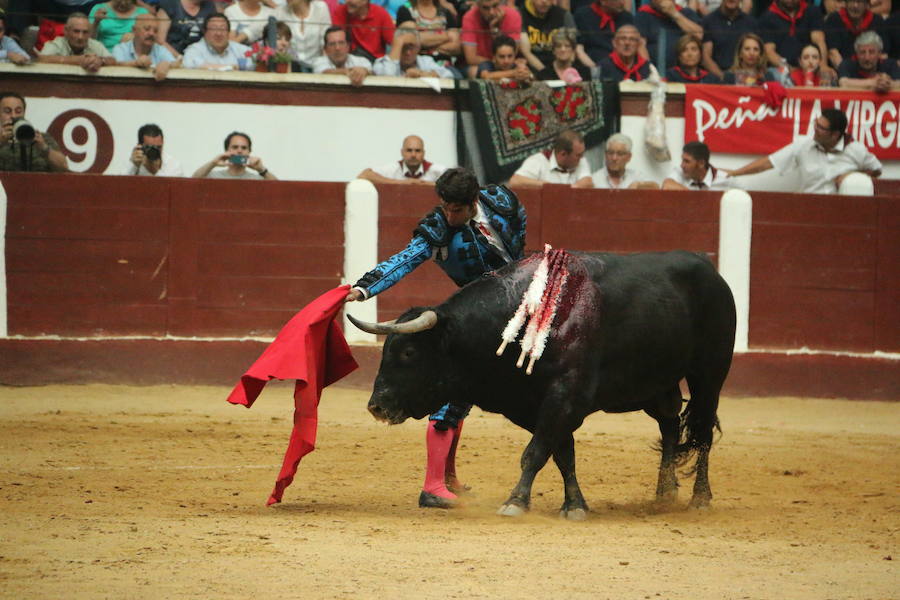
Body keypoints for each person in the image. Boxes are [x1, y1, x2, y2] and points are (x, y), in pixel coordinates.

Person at [345, 167, 527, 509]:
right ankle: (432, 486)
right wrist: (364, 287)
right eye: (445, 207)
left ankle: (448, 478)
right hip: (476, 313)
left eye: (456, 209)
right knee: (455, 392)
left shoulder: (503, 201)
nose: (449, 215)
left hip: (516, 302)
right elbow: (406, 259)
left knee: (468, 393)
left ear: (474, 201)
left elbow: (519, 240)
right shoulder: (438, 228)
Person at [724, 108, 882, 194]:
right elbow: (768, 163)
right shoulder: (803, 145)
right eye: (816, 123)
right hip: (809, 207)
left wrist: (855, 175)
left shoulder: (856, 150)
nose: (815, 129)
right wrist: (734, 173)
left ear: (835, 135)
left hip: (843, 212)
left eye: (821, 128)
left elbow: (877, 170)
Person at [0, 91, 69, 172]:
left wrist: (43, 147)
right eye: (7, 111)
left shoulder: (41, 137)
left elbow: (63, 167)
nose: (13, 116)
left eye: (18, 111)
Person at [758, 0, 828, 74]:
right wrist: (790, 70)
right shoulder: (767, 17)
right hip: (782, 70)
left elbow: (819, 41)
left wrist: (823, 65)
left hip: (812, 67)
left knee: (827, 76)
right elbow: (769, 52)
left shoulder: (812, 11)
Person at [509, 129, 593, 188]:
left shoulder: (581, 160)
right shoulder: (538, 161)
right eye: (578, 155)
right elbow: (515, 182)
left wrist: (564, 191)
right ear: (563, 154)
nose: (582, 157)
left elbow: (588, 183)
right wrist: (546, 187)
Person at [394, 0, 461, 74]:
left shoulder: (445, 12)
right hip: (417, 65)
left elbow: (456, 46)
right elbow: (411, 39)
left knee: (458, 81)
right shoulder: (405, 10)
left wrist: (425, 45)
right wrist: (446, 36)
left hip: (445, 66)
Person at [634, 0, 702, 71]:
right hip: (655, 72)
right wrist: (651, 70)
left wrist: (675, 14)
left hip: (685, 72)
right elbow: (640, 46)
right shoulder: (643, 15)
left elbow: (700, 36)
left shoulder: (687, 13)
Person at [460, 0, 522, 78]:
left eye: (495, 6)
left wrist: (496, 31)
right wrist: (496, 62)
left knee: (522, 69)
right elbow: (471, 59)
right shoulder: (469, 17)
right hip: (480, 63)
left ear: (500, 3)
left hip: (505, 62)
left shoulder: (513, 15)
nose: (491, 12)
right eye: (485, 8)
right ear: (478, 6)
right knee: (475, 71)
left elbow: (512, 52)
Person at [38, 12, 116, 72]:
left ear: (90, 33)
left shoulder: (95, 44)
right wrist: (78, 60)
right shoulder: (56, 44)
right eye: (76, 31)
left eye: (85, 32)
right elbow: (41, 59)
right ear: (66, 31)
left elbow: (112, 60)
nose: (80, 37)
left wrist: (101, 61)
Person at [112, 13, 179, 81]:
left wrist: (167, 64)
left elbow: (176, 64)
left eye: (155, 31)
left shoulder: (160, 49)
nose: (151, 33)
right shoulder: (121, 49)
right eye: (147, 29)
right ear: (134, 30)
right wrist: (135, 63)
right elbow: (114, 65)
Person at [700, 0, 756, 80]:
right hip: (717, 77)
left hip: (746, 77)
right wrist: (724, 77)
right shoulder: (708, 21)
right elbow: (706, 58)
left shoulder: (751, 23)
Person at [357, 134, 448, 184]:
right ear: (402, 152)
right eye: (409, 150)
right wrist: (400, 183)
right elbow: (364, 175)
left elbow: (459, 182)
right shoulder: (392, 169)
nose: (413, 154)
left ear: (423, 153)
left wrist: (424, 184)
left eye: (417, 151)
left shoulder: (436, 170)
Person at [824, 0, 889, 68]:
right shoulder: (834, 19)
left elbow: (883, 54)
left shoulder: (877, 21)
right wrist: (845, 71)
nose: (855, 6)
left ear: (866, 4)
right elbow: (833, 53)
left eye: (860, 2)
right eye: (851, 1)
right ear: (845, 3)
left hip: (872, 71)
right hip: (844, 70)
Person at [518, 0, 576, 73]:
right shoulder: (520, 15)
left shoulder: (564, 15)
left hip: (561, 68)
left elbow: (573, 49)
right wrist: (546, 73)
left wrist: (565, 72)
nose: (544, 1)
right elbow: (526, 52)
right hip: (532, 68)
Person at [192, 131, 278, 179]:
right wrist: (213, 163)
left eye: (244, 148)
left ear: (249, 152)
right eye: (235, 147)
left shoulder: (256, 179)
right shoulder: (214, 176)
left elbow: (279, 188)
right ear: (227, 150)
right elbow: (193, 181)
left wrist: (261, 169)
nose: (239, 151)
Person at [574, 0, 634, 68]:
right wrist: (596, 69)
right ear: (603, 1)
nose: (623, 2)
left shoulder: (627, 17)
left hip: (624, 69)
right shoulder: (583, 15)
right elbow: (578, 50)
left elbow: (637, 46)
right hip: (593, 67)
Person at [274, 0, 332, 70]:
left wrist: (325, 69)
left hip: (317, 67)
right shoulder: (280, 11)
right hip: (290, 67)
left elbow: (326, 43)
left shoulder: (320, 8)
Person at [182, 14, 253, 70]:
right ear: (205, 32)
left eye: (222, 29)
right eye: (213, 29)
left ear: (228, 33)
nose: (218, 33)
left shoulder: (241, 50)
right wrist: (230, 68)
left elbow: (253, 64)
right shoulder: (194, 50)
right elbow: (190, 65)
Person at [373, 31, 457, 77]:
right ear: (396, 47)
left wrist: (423, 74)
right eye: (403, 47)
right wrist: (399, 42)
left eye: (411, 47)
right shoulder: (382, 62)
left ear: (418, 48)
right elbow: (388, 76)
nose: (408, 52)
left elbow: (449, 75)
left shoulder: (425, 61)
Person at [662, 141, 737, 190]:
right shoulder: (681, 172)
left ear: (701, 163)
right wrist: (696, 197)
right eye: (682, 160)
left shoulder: (725, 179)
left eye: (687, 161)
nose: (682, 165)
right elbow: (667, 185)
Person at [593, 132, 658, 189]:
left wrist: (639, 185)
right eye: (610, 153)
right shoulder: (594, 180)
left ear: (629, 157)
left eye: (620, 154)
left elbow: (656, 187)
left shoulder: (635, 176)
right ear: (605, 155)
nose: (614, 158)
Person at [120, 123, 184, 176]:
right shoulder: (132, 161)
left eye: (158, 147)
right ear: (140, 145)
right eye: (149, 147)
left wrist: (155, 171)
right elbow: (120, 187)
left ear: (163, 143)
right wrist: (133, 166)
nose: (154, 151)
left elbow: (171, 189)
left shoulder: (174, 165)